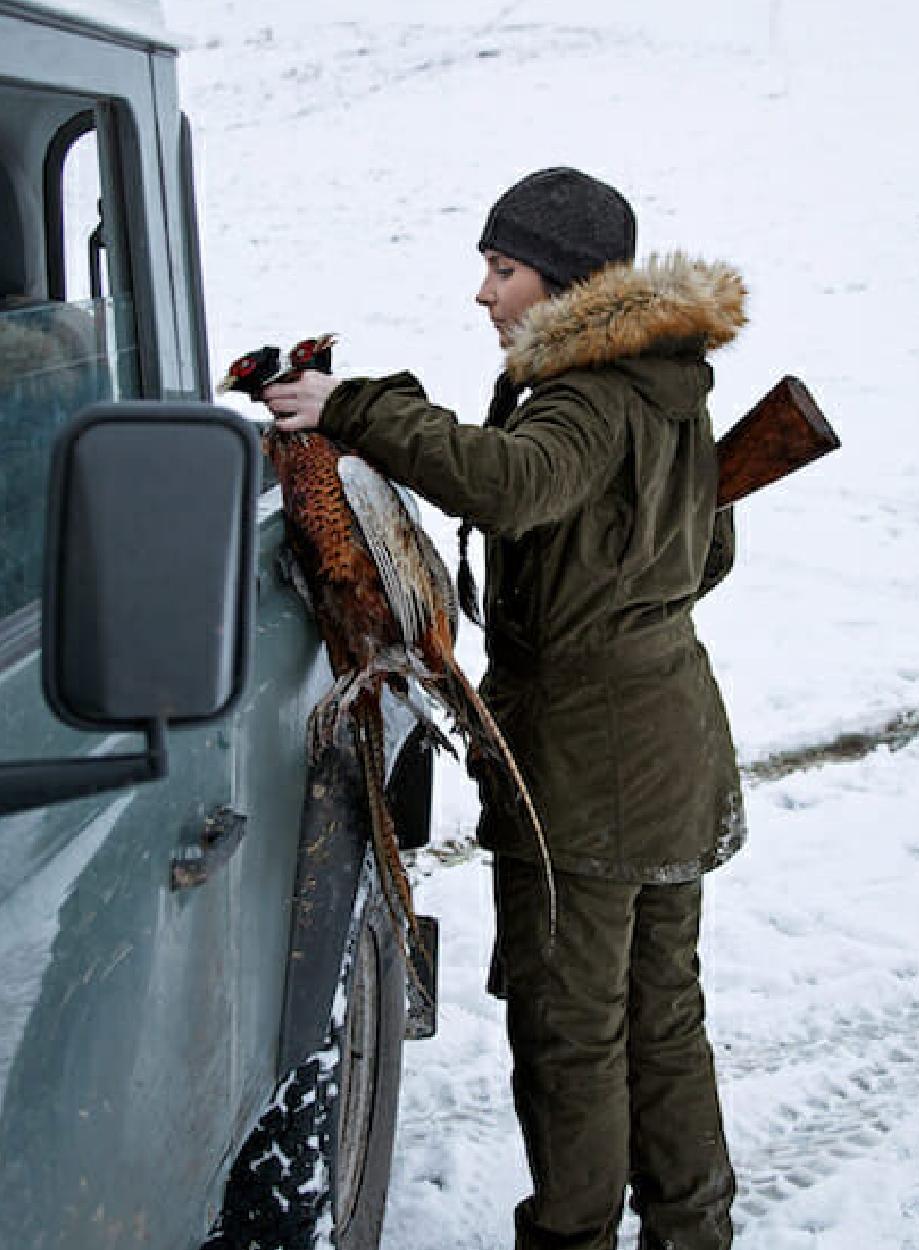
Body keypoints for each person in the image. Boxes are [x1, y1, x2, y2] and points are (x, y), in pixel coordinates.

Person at [264, 166, 748, 1250]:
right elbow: (709, 548)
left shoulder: (583, 393)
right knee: (661, 1017)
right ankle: (692, 1230)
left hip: (591, 768)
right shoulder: (668, 382)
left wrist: (356, 408)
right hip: (673, 738)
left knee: (571, 1029)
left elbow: (509, 482)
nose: (485, 292)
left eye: (503, 267)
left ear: (566, 282)